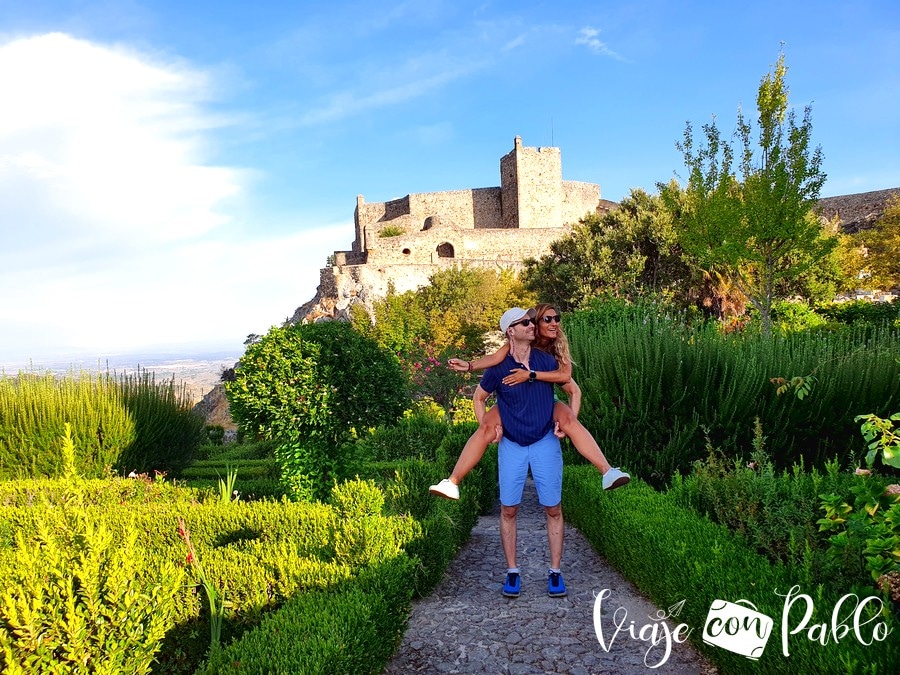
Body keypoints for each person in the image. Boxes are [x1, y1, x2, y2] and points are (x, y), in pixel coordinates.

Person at [429, 303, 629, 500]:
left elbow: (568, 380)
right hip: (513, 402)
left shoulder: (556, 345)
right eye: (545, 319)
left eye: (557, 319)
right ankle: (452, 482)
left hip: (545, 397)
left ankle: (607, 472)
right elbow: (494, 359)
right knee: (486, 428)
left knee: (569, 420)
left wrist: (532, 378)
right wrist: (470, 366)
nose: (553, 323)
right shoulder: (521, 342)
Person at [469, 307, 568, 598]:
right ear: (510, 331)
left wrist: (567, 422)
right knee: (509, 509)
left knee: (553, 508)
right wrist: (489, 428)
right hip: (511, 445)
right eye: (525, 322)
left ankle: (555, 572)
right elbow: (479, 398)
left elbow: (571, 386)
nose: (532, 325)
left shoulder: (545, 360)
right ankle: (513, 572)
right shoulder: (499, 367)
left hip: (544, 442)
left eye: (531, 320)